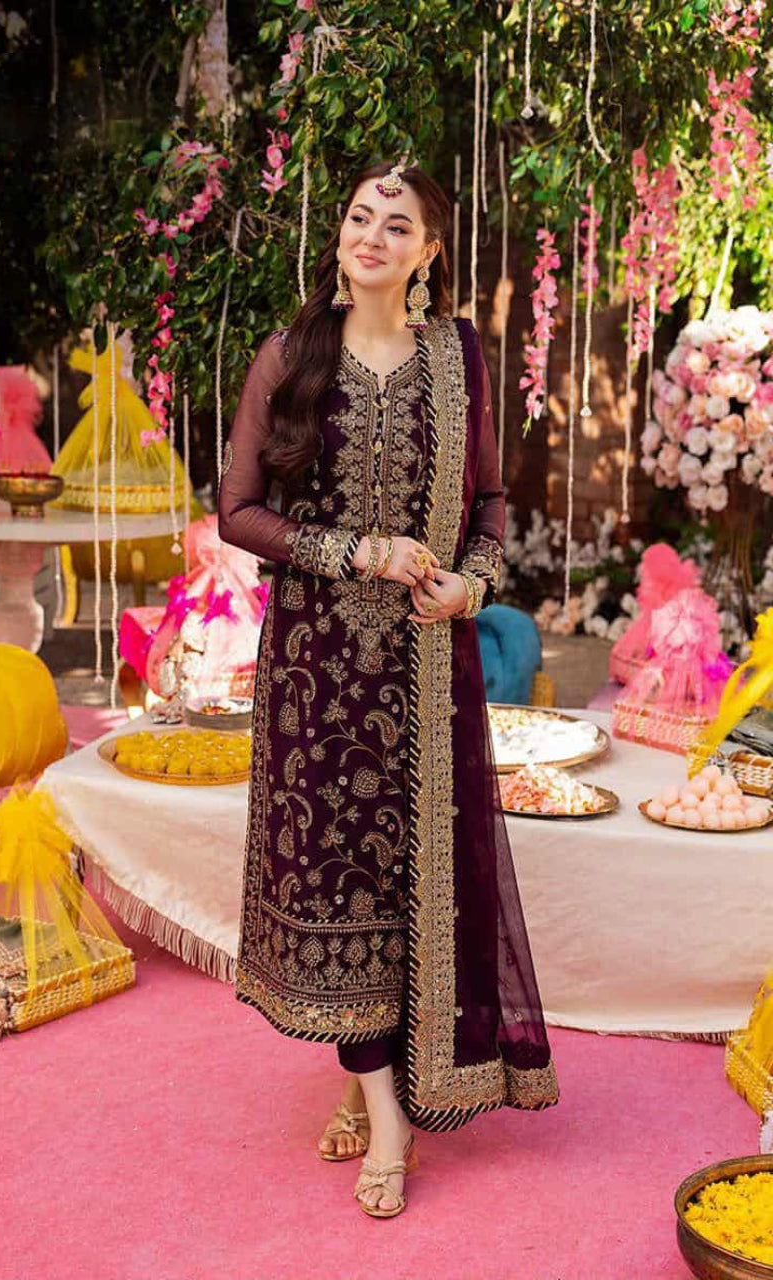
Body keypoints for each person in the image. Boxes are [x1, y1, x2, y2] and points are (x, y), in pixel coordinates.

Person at [218, 159, 559, 1220]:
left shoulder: (459, 360)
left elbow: (494, 508)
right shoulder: (290, 355)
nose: (371, 232)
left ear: (427, 251)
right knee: (340, 884)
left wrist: (471, 585)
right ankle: (386, 1110)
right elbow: (237, 510)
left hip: (426, 670)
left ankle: (383, 1095)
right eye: (360, 215)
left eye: (395, 221)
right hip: (320, 670)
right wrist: (351, 548)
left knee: (419, 887)